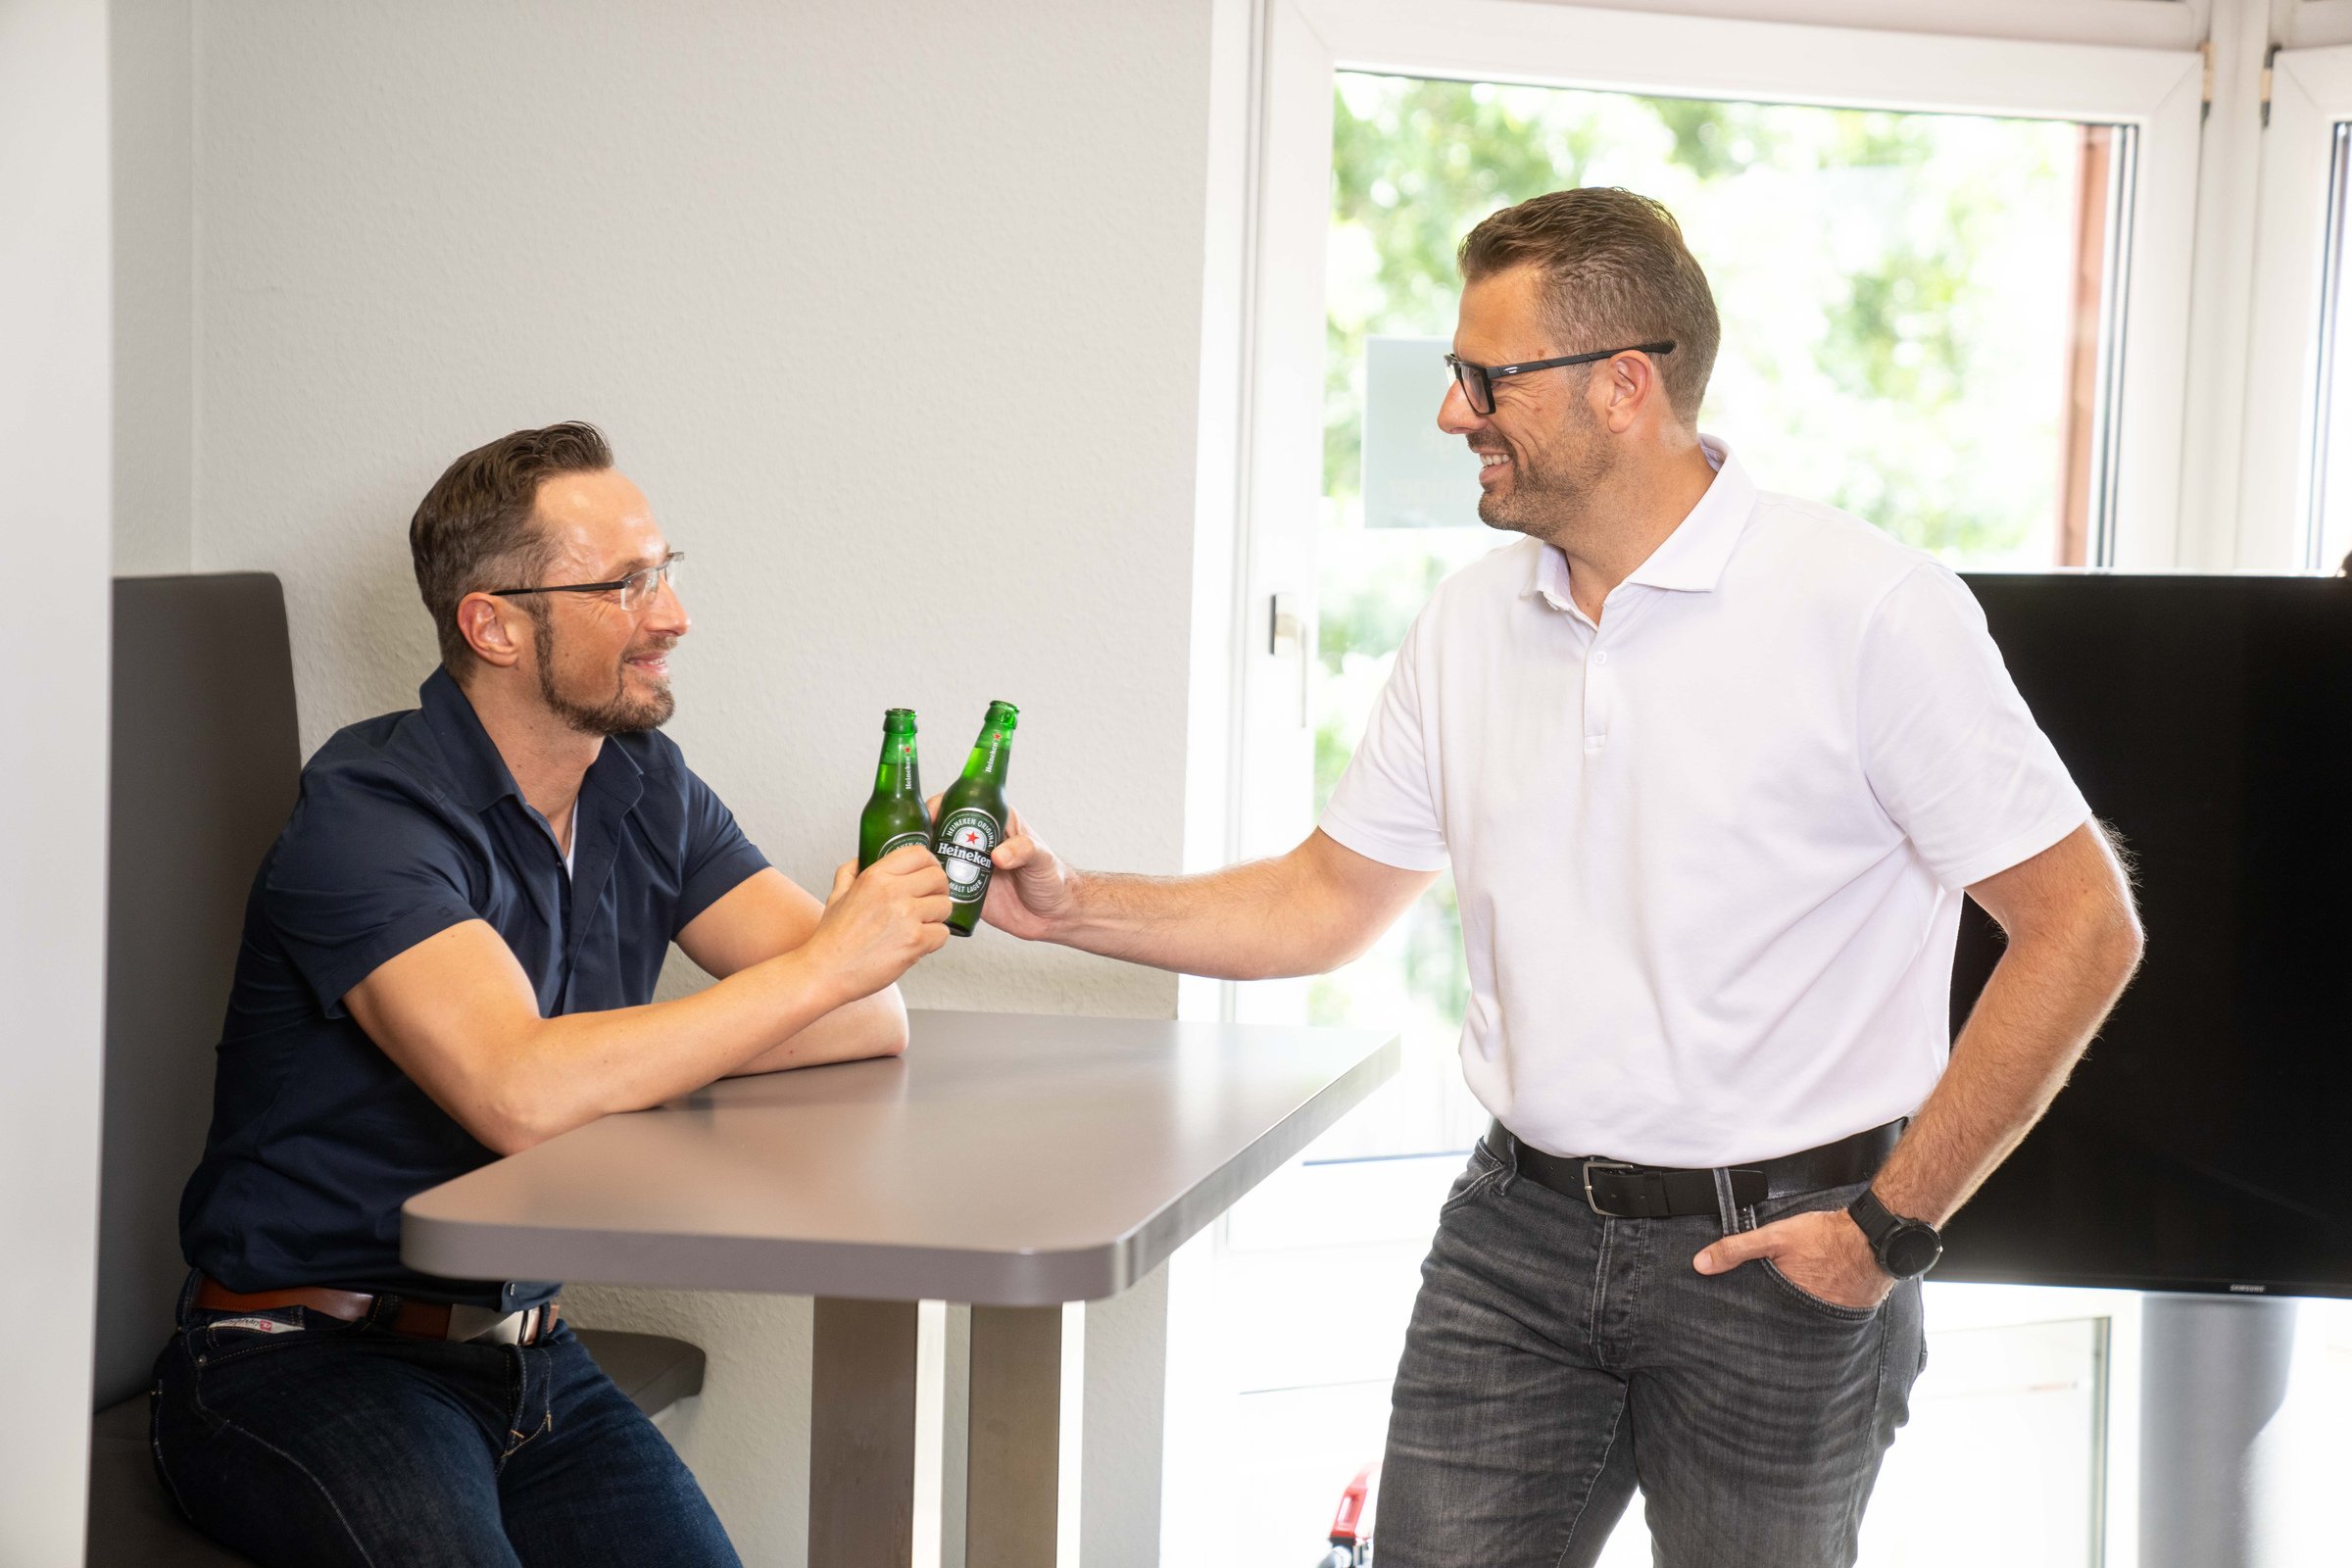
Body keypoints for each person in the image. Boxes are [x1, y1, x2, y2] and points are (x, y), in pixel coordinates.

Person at [973, 190, 2143, 1566]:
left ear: (1623, 386)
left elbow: (2082, 927)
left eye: (1487, 378)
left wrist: (1888, 1230)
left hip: (1784, 1257)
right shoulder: (1470, 622)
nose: (1452, 412)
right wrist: (1076, 906)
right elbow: (1325, 899)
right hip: (1514, 1242)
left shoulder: (1871, 609)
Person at [152, 421, 952, 1567]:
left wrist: (620, 1059)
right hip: (297, 1361)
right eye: (624, 586)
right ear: (494, 625)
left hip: (530, 1355)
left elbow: (868, 1015)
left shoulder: (644, 783)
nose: (673, 617)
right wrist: (812, 972)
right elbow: (520, 1096)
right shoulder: (369, 813)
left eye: (665, 572)